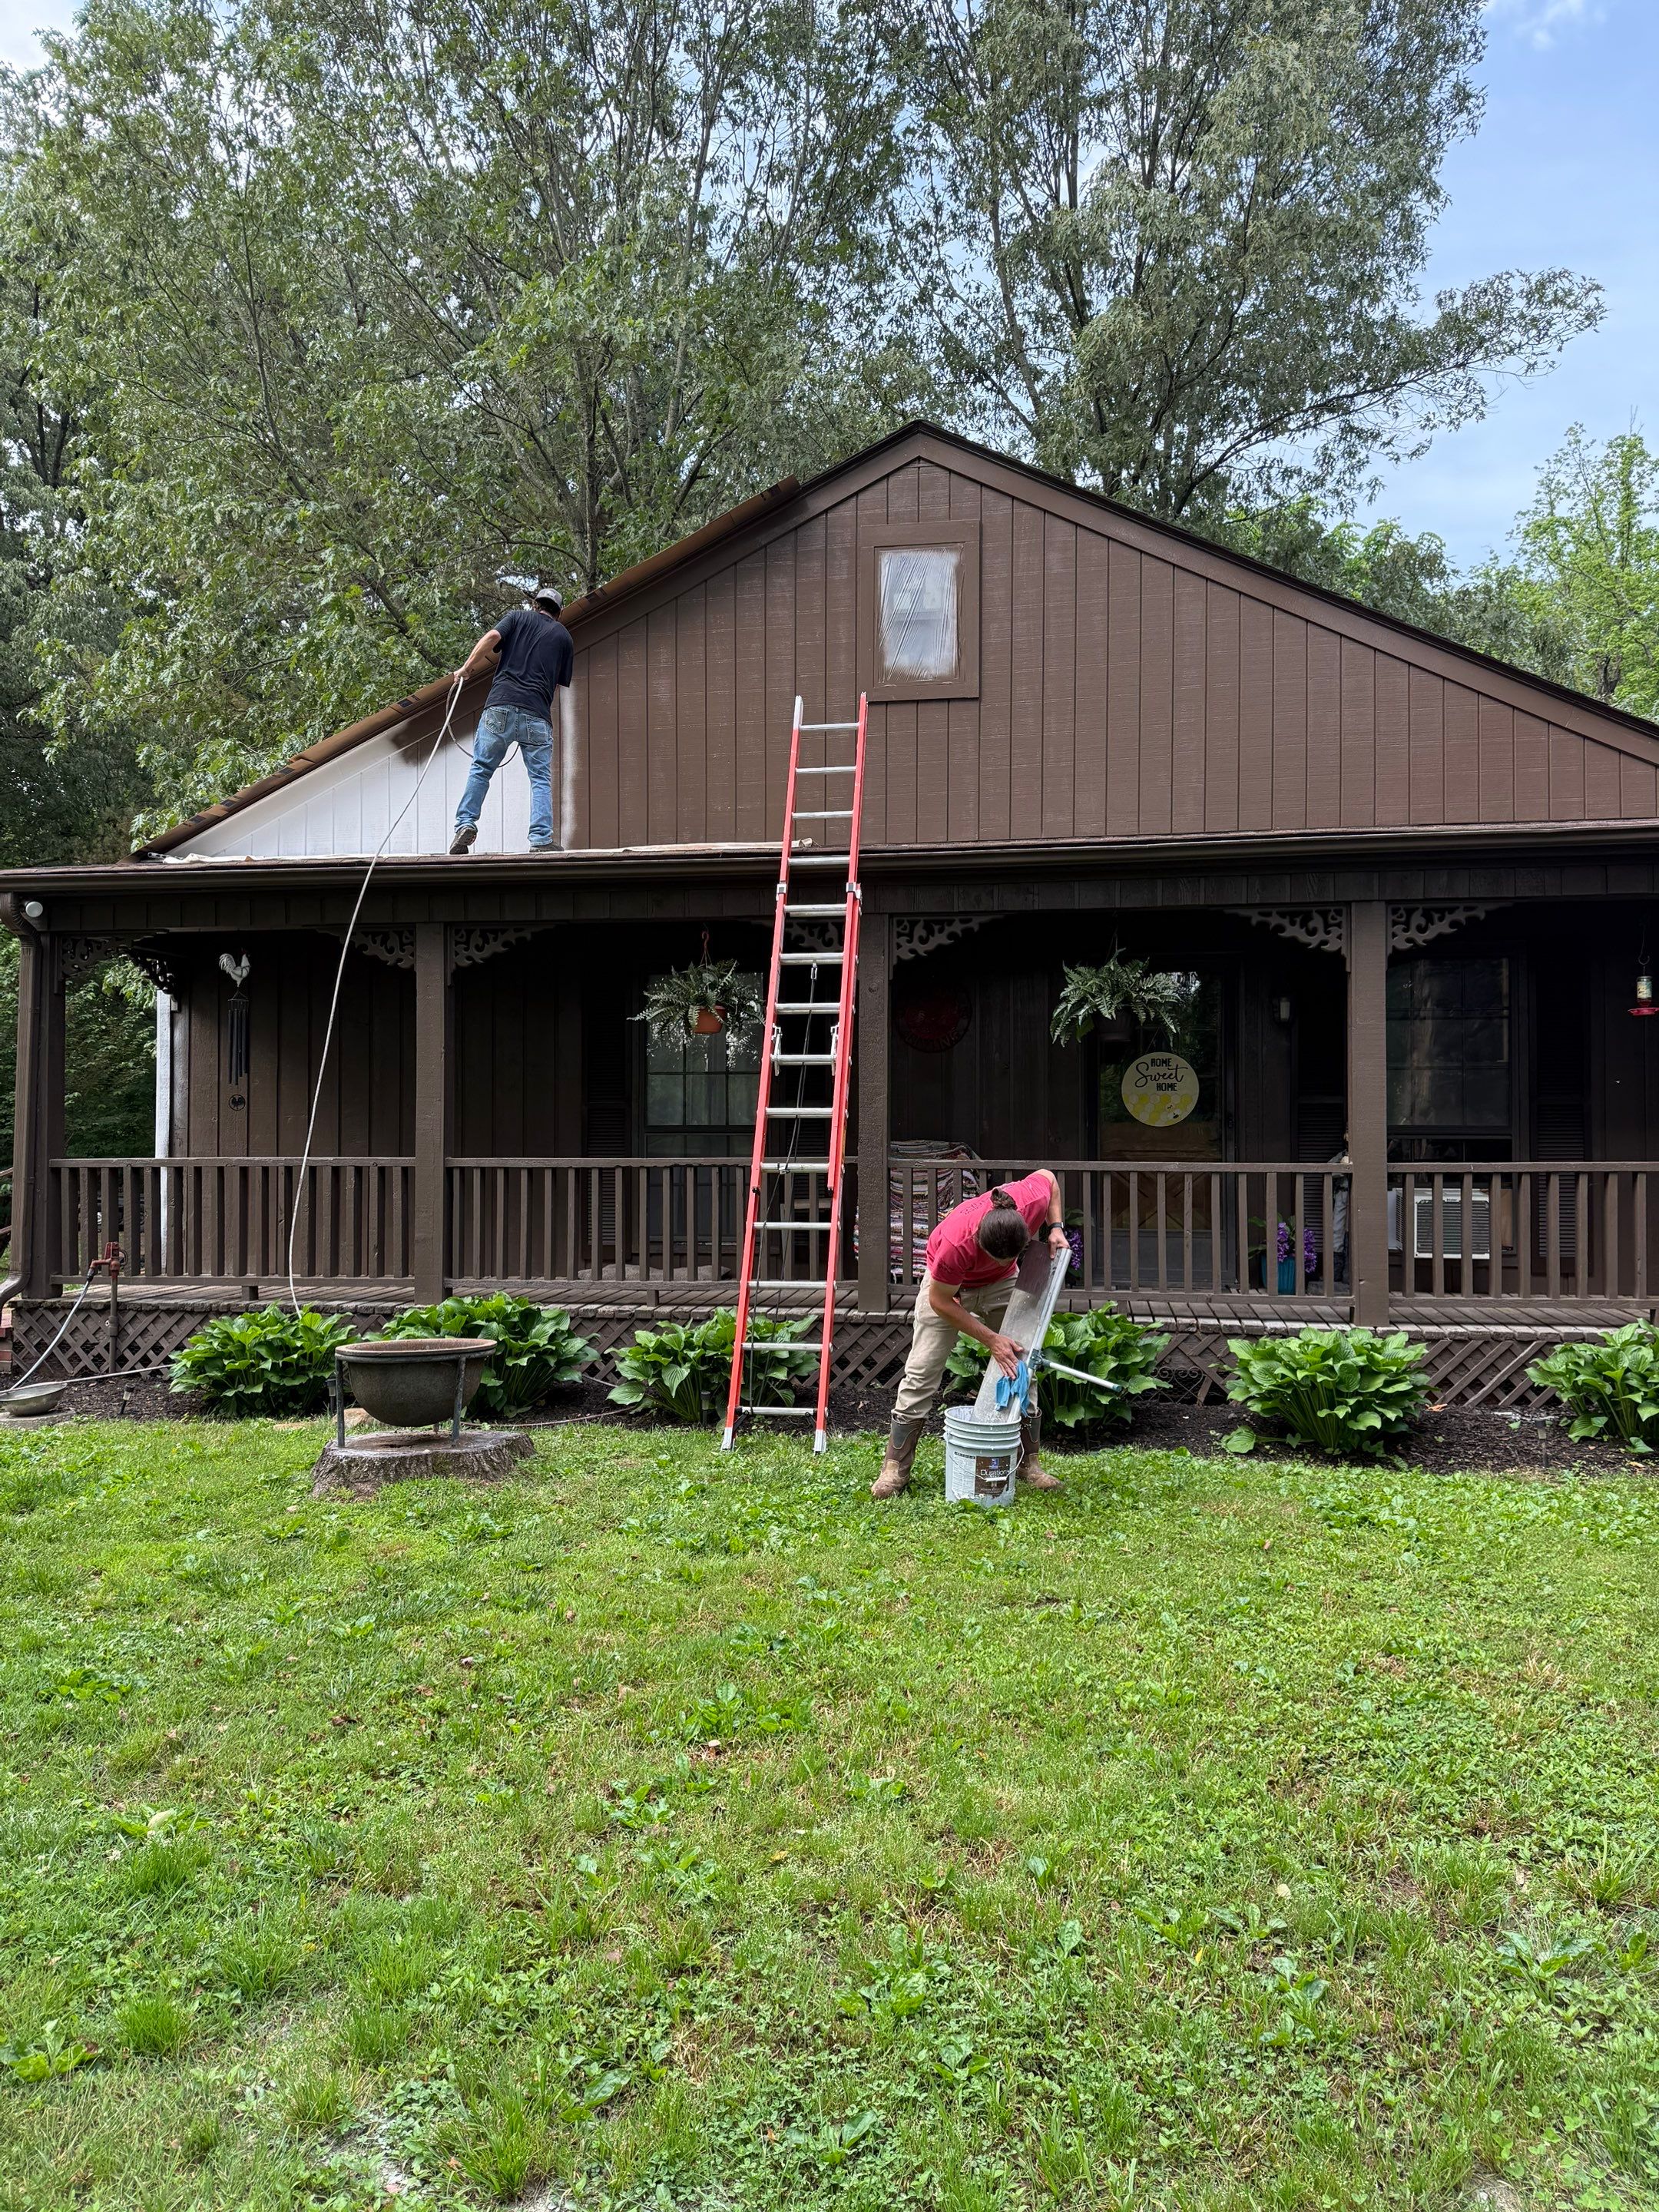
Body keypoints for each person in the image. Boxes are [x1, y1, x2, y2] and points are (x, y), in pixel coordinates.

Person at [871, 1167, 1069, 1500]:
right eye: (996, 1257)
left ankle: (1027, 1462)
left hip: (1003, 1285)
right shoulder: (954, 1243)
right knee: (922, 1372)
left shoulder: (1029, 1201)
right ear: (979, 1242)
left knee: (1022, 1362)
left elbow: (1048, 1177)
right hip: (950, 1291)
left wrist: (1056, 1227)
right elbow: (940, 1301)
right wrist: (991, 1339)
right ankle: (895, 1468)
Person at [449, 584, 574, 854]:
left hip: (500, 706)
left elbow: (492, 636)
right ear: (559, 613)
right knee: (540, 778)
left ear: (535, 605)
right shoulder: (564, 637)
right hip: (537, 714)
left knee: (481, 768)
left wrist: (466, 669)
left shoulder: (517, 617)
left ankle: (465, 824)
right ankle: (541, 840)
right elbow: (555, 686)